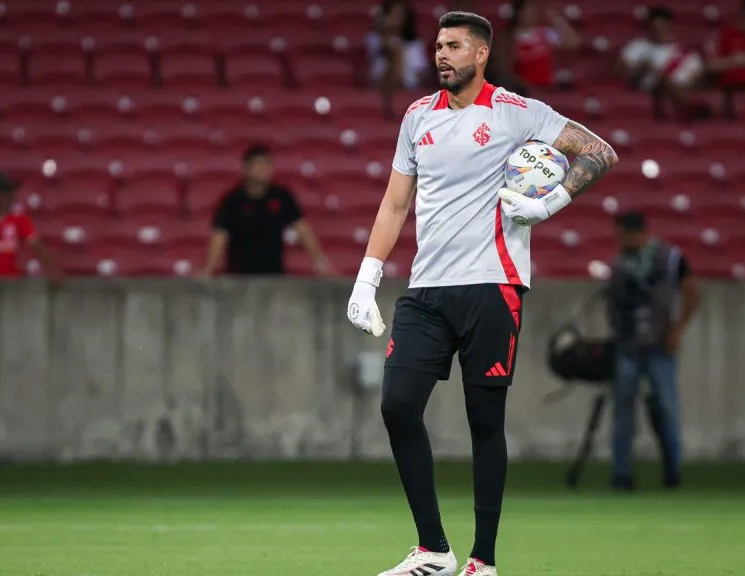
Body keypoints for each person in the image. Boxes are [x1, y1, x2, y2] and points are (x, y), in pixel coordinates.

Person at [345, 11, 618, 576]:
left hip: (493, 286)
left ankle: (482, 561)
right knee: (397, 406)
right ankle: (433, 550)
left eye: (454, 46)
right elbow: (396, 204)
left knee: (484, 421)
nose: (441, 55)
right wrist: (368, 275)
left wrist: (550, 203)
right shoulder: (417, 116)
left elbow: (599, 151)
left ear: (480, 54)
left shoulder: (519, 113)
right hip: (425, 290)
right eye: (438, 46)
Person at [605, 211, 700, 491]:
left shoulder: (671, 258)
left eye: (621, 234)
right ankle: (621, 475)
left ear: (635, 232)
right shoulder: (619, 262)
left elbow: (692, 293)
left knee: (667, 410)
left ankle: (673, 471)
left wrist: (677, 330)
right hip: (627, 346)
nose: (618, 240)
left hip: (660, 345)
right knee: (623, 412)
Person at [200, 145, 333, 277]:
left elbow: (302, 229)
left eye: (266, 164)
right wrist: (210, 267)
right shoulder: (232, 201)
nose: (262, 169)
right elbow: (220, 236)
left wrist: (319, 260)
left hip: (274, 277)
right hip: (239, 278)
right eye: (257, 165)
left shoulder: (282, 197)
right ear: (246, 169)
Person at [0, 172, 62, 280]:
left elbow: (36, 245)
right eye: (6, 193)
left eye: (11, 193)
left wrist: (53, 270)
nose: (11, 197)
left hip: (10, 283)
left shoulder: (19, 217)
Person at [618, 6, 711, 119]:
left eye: (662, 27)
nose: (658, 31)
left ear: (669, 26)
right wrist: (641, 68)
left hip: (683, 88)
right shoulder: (638, 46)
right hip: (653, 90)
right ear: (648, 28)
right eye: (654, 27)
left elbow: (698, 78)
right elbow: (618, 70)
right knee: (663, 81)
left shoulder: (685, 53)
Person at [495, 0, 580, 91]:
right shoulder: (509, 38)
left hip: (547, 86)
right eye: (526, 10)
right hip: (522, 89)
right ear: (518, 13)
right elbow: (504, 67)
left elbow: (573, 43)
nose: (530, 14)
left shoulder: (545, 33)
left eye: (532, 10)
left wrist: (557, 19)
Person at [366, 0, 430, 92]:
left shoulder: (415, 45)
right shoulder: (374, 39)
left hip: (410, 90)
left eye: (400, 14)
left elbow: (421, 73)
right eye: (392, 13)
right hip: (383, 86)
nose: (395, 18)